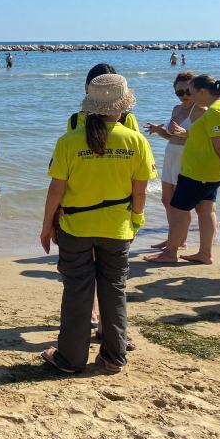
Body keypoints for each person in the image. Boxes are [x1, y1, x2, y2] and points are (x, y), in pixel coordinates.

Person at [40, 74, 155, 376]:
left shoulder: (70, 140)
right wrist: (137, 218)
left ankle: (71, 358)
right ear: (121, 106)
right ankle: (114, 356)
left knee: (77, 290)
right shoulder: (136, 140)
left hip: (75, 227)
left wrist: (46, 225)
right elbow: (139, 190)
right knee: (114, 288)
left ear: (90, 105)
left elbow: (56, 189)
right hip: (118, 228)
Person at [144, 75, 220, 264]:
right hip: (211, 171)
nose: (189, 96)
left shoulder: (215, 111)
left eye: (191, 92)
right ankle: (204, 254)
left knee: (179, 209)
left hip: (199, 170)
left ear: (203, 91)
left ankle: (170, 253)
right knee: (206, 211)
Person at [143, 72, 205, 249]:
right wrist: (158, 130)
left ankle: (180, 240)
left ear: (195, 89)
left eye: (187, 91)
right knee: (166, 200)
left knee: (180, 204)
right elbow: (171, 136)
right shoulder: (176, 109)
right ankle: (174, 236)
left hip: (186, 158)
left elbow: (204, 140)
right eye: (179, 92)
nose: (184, 95)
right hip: (171, 155)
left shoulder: (201, 111)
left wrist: (185, 134)